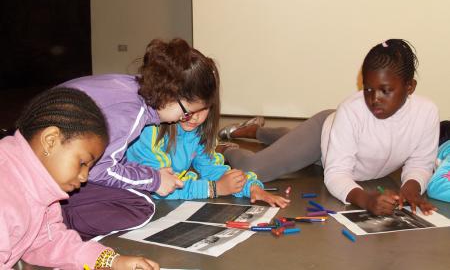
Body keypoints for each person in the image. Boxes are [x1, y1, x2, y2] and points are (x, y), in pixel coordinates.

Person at [220, 39, 440, 216]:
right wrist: (365, 198)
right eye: (368, 89)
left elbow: (421, 163)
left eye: (385, 90)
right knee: (256, 168)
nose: (374, 99)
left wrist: (411, 188)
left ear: (410, 87)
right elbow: (336, 174)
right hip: (321, 136)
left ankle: (256, 130)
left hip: (338, 144)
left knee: (293, 144)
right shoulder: (351, 111)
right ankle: (226, 148)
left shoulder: (426, 113)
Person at [60, 38, 218, 240]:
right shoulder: (132, 112)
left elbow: (111, 157)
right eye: (186, 113)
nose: (182, 119)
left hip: (56, 164)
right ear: (171, 95)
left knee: (137, 195)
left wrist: (150, 177)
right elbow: (99, 169)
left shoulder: (131, 88)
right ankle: (54, 222)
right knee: (141, 206)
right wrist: (154, 180)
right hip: (48, 174)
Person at [0, 87, 159, 270]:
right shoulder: (5, 190)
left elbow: (47, 242)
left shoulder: (43, 186)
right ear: (50, 141)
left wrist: (112, 261)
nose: (84, 177)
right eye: (83, 162)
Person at [126, 61, 289, 208]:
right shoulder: (148, 132)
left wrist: (251, 187)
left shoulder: (196, 129)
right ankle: (224, 148)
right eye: (189, 107)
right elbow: (160, 187)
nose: (195, 116)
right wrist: (214, 188)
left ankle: (223, 148)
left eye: (203, 108)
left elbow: (211, 168)